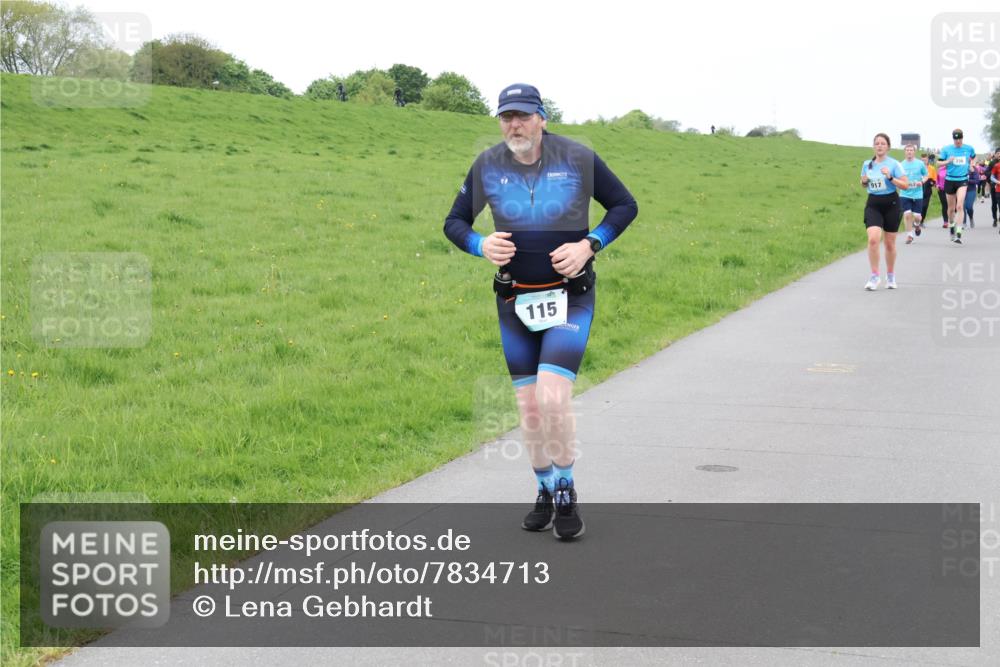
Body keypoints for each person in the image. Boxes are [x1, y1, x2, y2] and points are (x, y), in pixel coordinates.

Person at [443, 83, 638, 540]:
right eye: (506, 117)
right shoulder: (487, 164)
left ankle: (567, 490)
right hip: (514, 300)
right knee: (529, 407)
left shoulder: (578, 158)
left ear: (542, 118)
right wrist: (479, 244)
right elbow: (454, 222)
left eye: (523, 116)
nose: (515, 125)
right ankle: (545, 489)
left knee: (553, 397)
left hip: (570, 296)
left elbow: (625, 205)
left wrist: (590, 244)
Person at [859, 133, 908, 290]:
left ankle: (891, 275)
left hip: (892, 204)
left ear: (888, 147)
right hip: (873, 204)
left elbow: (905, 185)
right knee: (873, 239)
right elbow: (864, 183)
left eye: (882, 143)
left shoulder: (894, 164)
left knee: (889, 243)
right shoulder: (867, 164)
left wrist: (891, 178)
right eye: (877, 143)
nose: (879, 146)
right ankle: (874, 276)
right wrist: (864, 181)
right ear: (874, 146)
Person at [938, 129, 976, 244]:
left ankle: (959, 232)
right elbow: (938, 163)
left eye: (959, 138)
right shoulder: (946, 149)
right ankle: (952, 227)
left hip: (962, 180)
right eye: (955, 139)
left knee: (959, 206)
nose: (958, 141)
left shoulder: (968, 148)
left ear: (962, 138)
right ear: (953, 139)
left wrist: (972, 164)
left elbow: (974, 157)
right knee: (951, 209)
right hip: (949, 180)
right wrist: (947, 161)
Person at [899, 144, 928, 244]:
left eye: (911, 150)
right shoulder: (901, 164)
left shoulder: (920, 164)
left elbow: (926, 175)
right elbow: (897, 177)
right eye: (907, 150)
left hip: (917, 194)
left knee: (917, 216)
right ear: (905, 152)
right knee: (907, 215)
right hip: (904, 193)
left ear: (914, 152)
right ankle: (909, 236)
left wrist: (922, 182)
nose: (909, 152)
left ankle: (917, 224)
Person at [920, 153, 936, 223]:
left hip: (927, 190)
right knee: (918, 206)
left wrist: (931, 183)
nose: (924, 162)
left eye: (925, 160)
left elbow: (934, 180)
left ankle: (922, 221)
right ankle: (917, 221)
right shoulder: (918, 168)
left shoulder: (932, 168)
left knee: (924, 206)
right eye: (922, 160)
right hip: (918, 190)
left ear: (928, 160)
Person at [989, 149, 1000, 228]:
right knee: (994, 204)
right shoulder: (993, 163)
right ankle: (995, 218)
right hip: (995, 186)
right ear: (995, 154)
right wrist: (996, 181)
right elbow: (988, 173)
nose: (999, 155)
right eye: (998, 153)